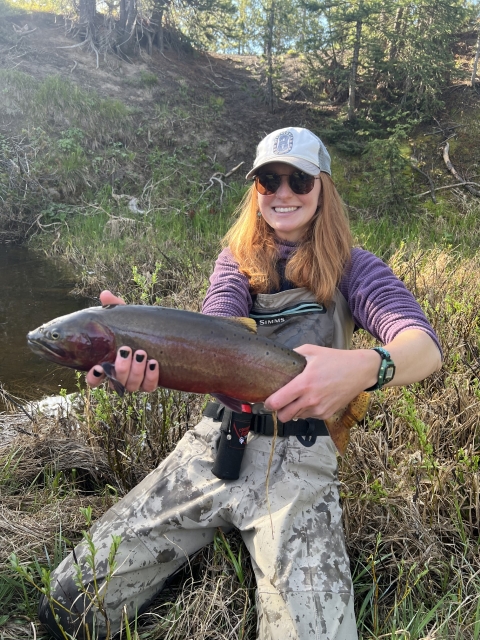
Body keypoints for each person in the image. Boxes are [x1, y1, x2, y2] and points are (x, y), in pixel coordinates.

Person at [38, 127, 442, 640]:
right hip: (213, 445)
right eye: (269, 180)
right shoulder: (235, 261)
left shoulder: (356, 268)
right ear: (256, 190)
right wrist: (150, 338)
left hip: (301, 453)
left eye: (300, 179)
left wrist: (366, 366)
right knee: (69, 599)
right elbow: (216, 326)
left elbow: (423, 347)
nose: (283, 192)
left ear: (324, 189)